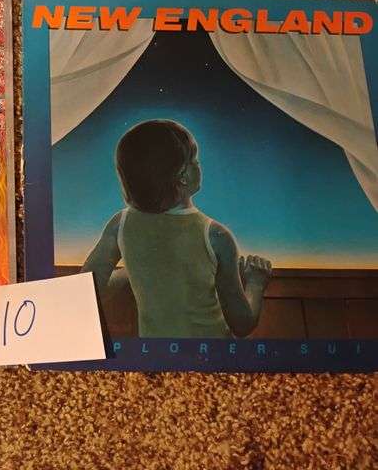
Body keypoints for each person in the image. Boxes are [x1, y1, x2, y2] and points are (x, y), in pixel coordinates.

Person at [82, 119, 271, 338]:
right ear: (183, 177)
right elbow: (243, 324)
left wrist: (138, 271)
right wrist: (256, 284)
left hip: (155, 352)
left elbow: (86, 288)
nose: (198, 165)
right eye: (194, 160)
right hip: (209, 353)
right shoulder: (216, 236)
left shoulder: (120, 224)